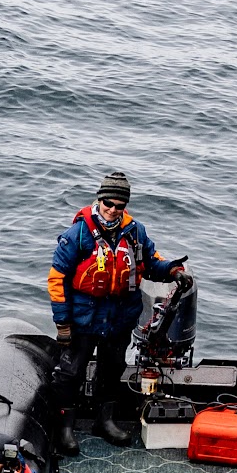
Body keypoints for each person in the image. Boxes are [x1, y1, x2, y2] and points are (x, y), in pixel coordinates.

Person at [42, 171, 184, 452]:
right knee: (70, 372)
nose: (113, 210)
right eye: (108, 203)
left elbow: (151, 263)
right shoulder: (78, 234)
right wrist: (62, 324)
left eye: (119, 205)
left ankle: (104, 421)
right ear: (99, 200)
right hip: (84, 317)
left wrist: (173, 271)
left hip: (119, 317)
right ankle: (65, 428)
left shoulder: (135, 232)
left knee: (112, 369)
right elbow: (57, 279)